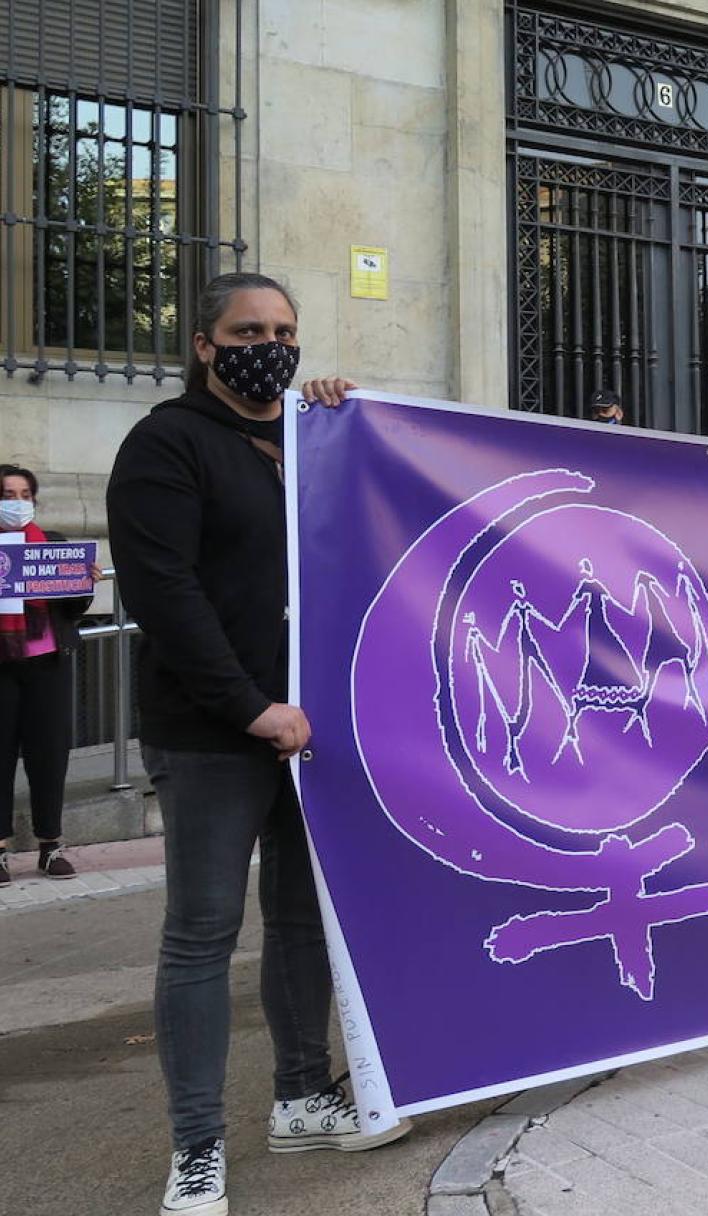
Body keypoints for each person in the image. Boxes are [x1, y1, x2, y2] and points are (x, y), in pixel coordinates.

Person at [106, 272, 409, 1216]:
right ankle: (196, 1150)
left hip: (313, 730)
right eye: (247, 329)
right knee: (201, 935)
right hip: (213, 735)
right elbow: (166, 596)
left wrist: (351, 420)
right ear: (205, 344)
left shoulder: (316, 440)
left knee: (299, 918)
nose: (268, 344)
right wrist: (250, 709)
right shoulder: (166, 445)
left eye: (283, 329)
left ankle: (301, 1095)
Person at [0, 465, 103, 884]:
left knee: (49, 756)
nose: (17, 502)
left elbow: (71, 609)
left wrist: (85, 582)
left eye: (25, 494)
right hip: (2, 669)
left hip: (47, 664)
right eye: (8, 493)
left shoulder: (53, 545)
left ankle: (50, 845)